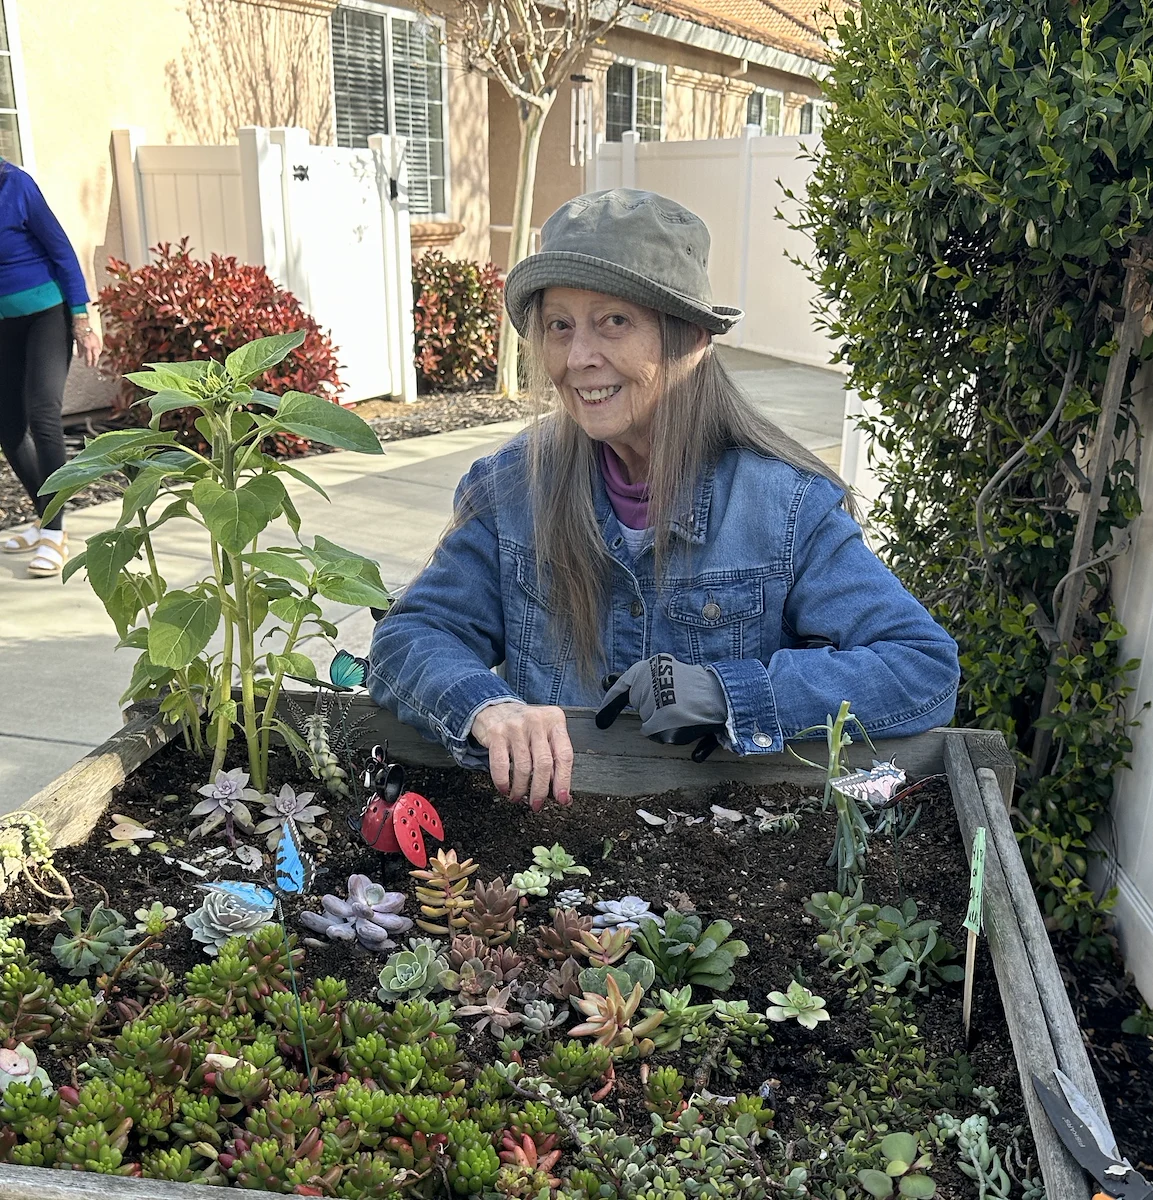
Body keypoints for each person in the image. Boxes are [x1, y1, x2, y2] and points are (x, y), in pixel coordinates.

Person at [369, 188, 959, 810]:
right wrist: (487, 707)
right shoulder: (513, 487)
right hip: (543, 844)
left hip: (724, 856)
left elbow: (920, 669)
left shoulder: (784, 507)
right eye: (559, 326)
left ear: (693, 340)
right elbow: (411, 635)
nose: (578, 358)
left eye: (614, 322)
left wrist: (731, 695)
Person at [0, 156, 101, 576]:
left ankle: (55, 533)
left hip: (47, 314)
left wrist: (81, 321)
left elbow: (61, 252)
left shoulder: (16, 186)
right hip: (3, 324)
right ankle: (46, 516)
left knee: (43, 411)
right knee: (7, 425)